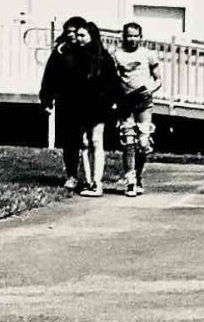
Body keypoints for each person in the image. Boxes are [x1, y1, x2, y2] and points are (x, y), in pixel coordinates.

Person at [38, 17, 121, 196]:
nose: (74, 36)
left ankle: (94, 182)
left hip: (96, 105)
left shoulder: (100, 56)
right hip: (71, 103)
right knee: (76, 141)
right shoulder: (62, 52)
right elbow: (50, 78)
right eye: (70, 33)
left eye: (78, 33)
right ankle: (80, 178)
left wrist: (114, 102)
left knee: (94, 141)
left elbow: (112, 81)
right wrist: (46, 99)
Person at [109, 20, 168, 197]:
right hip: (125, 102)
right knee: (128, 140)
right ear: (123, 36)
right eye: (129, 36)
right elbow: (113, 79)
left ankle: (139, 175)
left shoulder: (148, 55)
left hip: (144, 102)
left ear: (141, 37)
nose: (132, 39)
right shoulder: (117, 55)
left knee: (143, 142)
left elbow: (158, 79)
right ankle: (130, 180)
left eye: (135, 36)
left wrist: (150, 89)